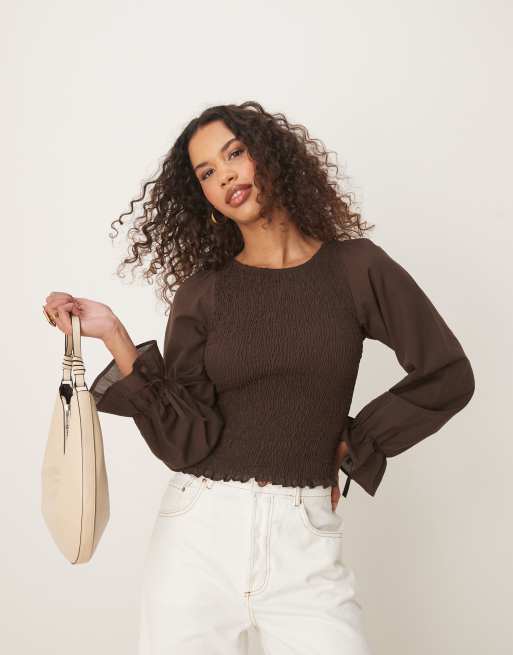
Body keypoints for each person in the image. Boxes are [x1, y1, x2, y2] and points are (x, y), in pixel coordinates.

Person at [42, 101, 475, 655]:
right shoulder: (205, 292)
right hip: (197, 537)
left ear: (270, 156)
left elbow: (446, 372)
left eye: (235, 154)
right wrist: (115, 335)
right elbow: (184, 440)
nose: (224, 176)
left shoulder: (357, 269)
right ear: (202, 196)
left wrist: (359, 440)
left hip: (305, 540)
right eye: (206, 172)